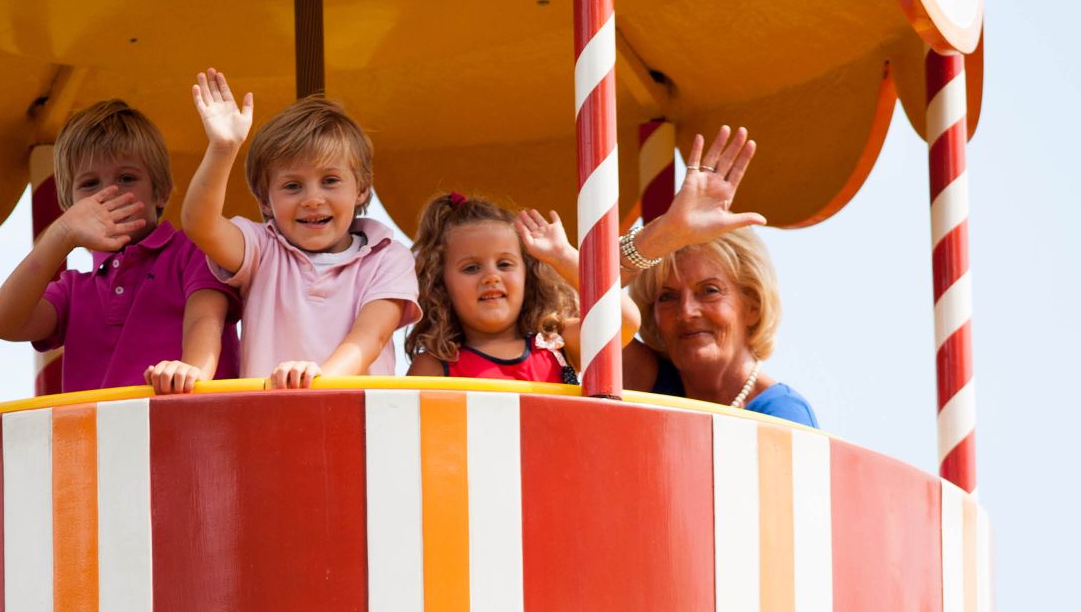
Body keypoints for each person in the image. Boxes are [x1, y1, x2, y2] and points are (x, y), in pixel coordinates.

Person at [183, 69, 420, 388]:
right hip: (270, 425)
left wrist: (318, 381)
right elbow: (200, 224)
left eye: (330, 181)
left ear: (362, 188)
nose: (312, 199)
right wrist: (222, 150)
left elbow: (370, 336)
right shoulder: (261, 249)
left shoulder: (387, 256)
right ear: (265, 202)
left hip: (355, 426)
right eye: (293, 186)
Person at [0, 100, 239, 395]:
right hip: (99, 439)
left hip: (184, 426)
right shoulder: (73, 290)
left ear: (160, 192)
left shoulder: (191, 249)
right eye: (90, 184)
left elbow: (205, 318)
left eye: (127, 178)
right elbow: (2, 323)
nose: (109, 193)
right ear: (69, 205)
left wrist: (193, 373)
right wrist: (62, 233)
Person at [619, 126, 818, 426]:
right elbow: (564, 301)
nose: (686, 311)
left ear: (751, 305)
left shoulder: (782, 413)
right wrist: (663, 235)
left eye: (709, 291)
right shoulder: (650, 378)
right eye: (667, 297)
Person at [405, 192, 640, 381]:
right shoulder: (434, 366)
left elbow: (625, 321)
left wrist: (563, 256)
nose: (491, 277)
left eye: (504, 264)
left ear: (528, 276)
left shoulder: (557, 344)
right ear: (441, 284)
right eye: (471, 268)